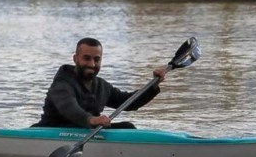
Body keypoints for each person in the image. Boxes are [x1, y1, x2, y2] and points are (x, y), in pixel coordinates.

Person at [32, 38, 166, 129]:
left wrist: (152, 86)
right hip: (53, 130)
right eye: (86, 58)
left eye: (97, 59)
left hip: (86, 131)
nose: (92, 64)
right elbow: (69, 107)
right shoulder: (62, 84)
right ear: (75, 58)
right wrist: (91, 120)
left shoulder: (102, 86)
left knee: (127, 127)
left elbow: (128, 102)